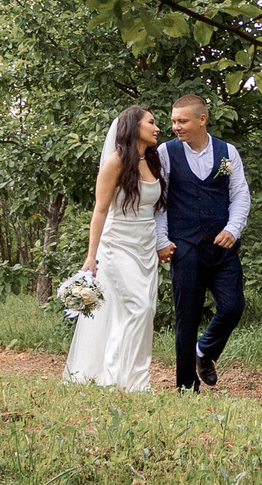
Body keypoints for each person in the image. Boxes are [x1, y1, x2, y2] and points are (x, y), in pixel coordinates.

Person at [62, 104, 163, 391]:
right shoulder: (116, 163)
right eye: (151, 123)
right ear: (134, 127)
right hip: (117, 245)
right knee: (137, 308)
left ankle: (138, 382)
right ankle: (115, 378)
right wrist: (91, 257)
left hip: (145, 248)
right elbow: (100, 210)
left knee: (146, 312)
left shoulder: (152, 161)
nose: (157, 128)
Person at [155, 92, 249, 390]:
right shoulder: (165, 153)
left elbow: (240, 194)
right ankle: (185, 385)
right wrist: (161, 240)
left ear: (202, 119)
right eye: (173, 121)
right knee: (187, 317)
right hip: (185, 247)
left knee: (233, 307)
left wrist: (233, 228)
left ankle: (204, 351)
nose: (175, 127)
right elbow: (159, 202)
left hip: (222, 248)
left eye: (182, 121)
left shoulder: (227, 152)